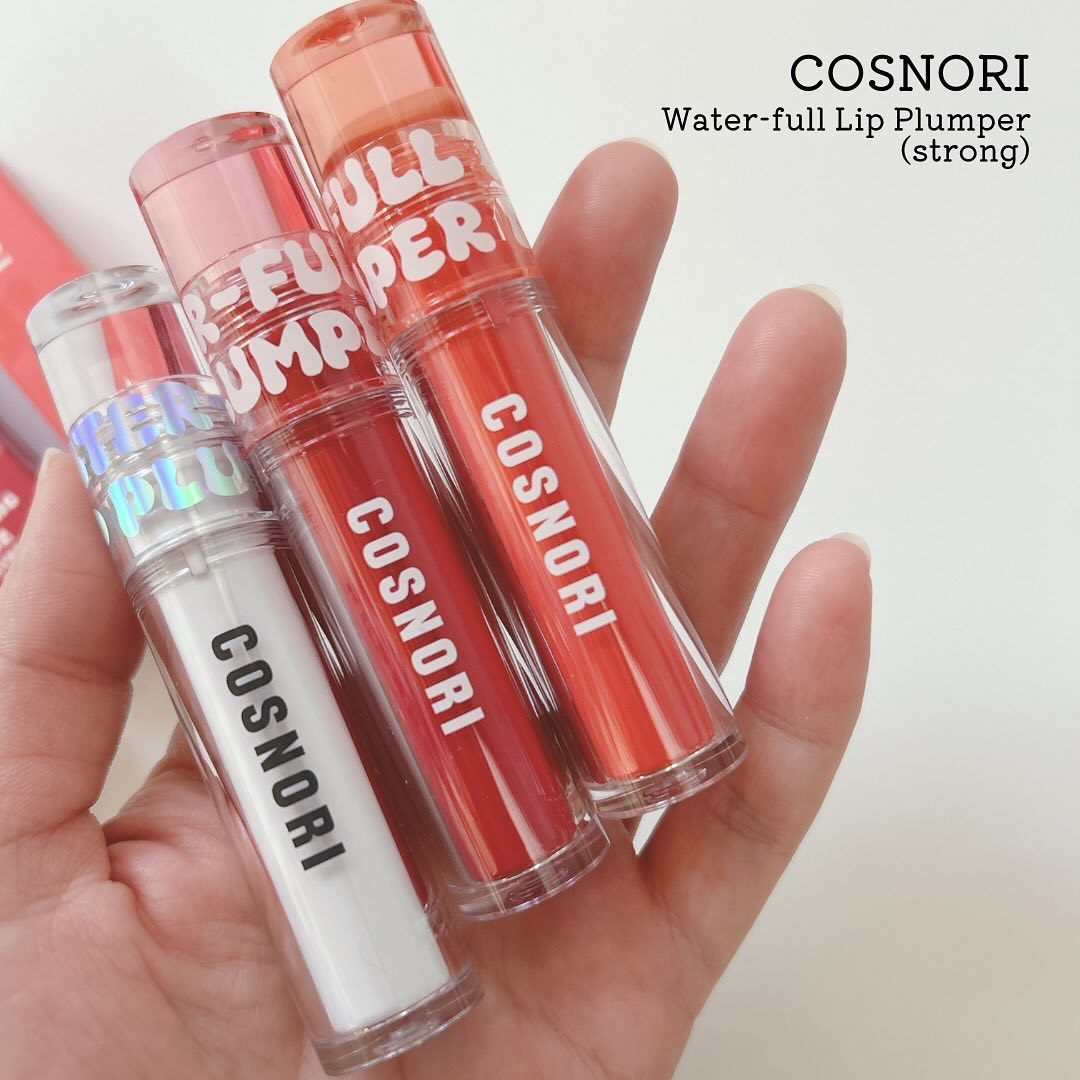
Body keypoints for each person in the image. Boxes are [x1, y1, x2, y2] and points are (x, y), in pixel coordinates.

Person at [0, 141, 871, 1079]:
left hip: (357, 422)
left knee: (459, 571)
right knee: (360, 651)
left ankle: (600, 770)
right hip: (353, 979)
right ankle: (496, 856)